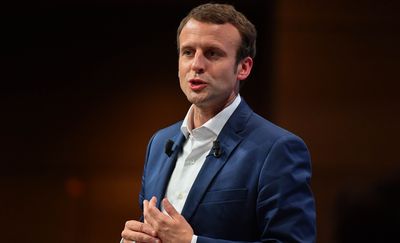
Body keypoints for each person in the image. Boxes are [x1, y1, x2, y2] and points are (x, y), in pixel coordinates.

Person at [121, 3, 316, 243]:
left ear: (243, 67)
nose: (196, 65)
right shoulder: (159, 143)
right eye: (188, 52)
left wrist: (191, 242)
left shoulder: (278, 149)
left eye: (212, 53)